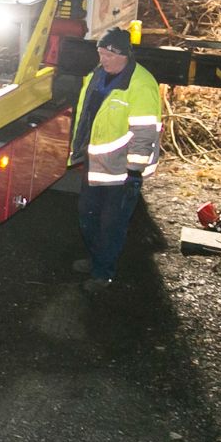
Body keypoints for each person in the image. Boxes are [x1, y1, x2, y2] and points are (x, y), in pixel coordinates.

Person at [70, 27, 161, 293]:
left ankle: (103, 274)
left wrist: (134, 172)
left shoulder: (141, 85)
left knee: (111, 225)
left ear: (124, 55)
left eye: (109, 55)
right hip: (96, 165)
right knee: (88, 217)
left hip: (122, 172)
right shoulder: (96, 76)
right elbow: (86, 117)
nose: (103, 60)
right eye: (100, 53)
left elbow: (145, 133)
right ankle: (95, 259)